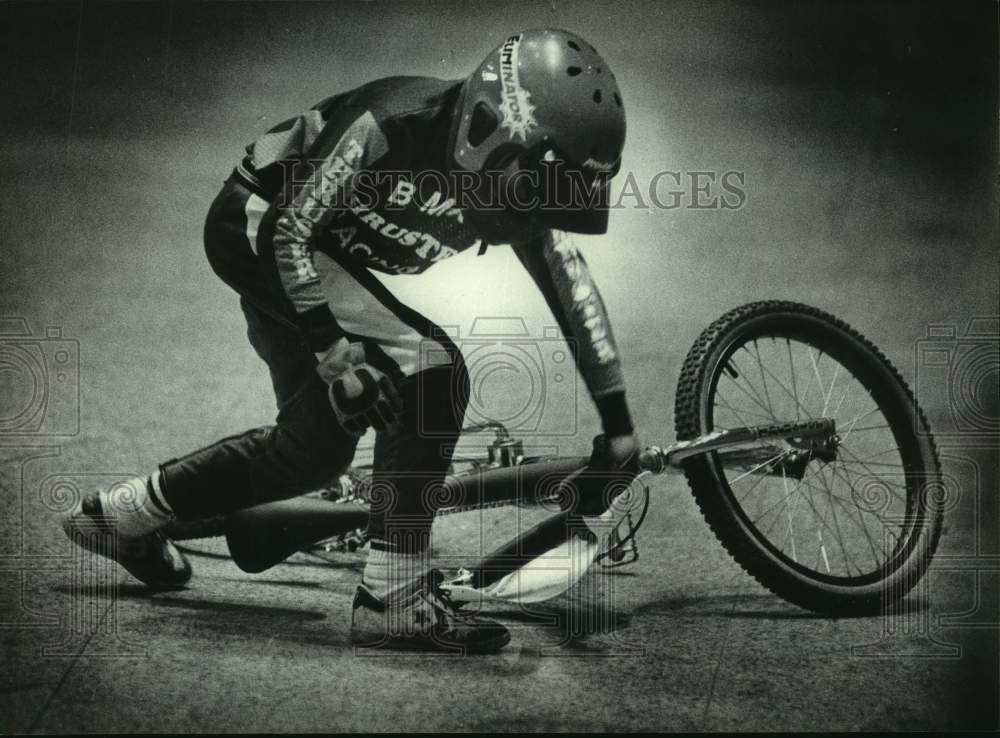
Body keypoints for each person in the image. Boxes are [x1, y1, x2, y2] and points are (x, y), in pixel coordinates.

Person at [61, 28, 638, 654]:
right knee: (434, 371)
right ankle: (394, 596)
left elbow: (572, 292)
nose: (538, 216)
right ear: (485, 131)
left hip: (314, 254)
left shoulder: (513, 178)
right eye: (534, 191)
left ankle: (118, 516)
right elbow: (288, 235)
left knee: (311, 456)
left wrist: (620, 424)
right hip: (261, 229)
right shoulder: (390, 125)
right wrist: (336, 357)